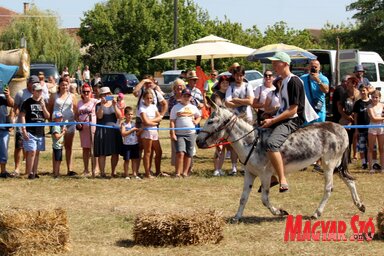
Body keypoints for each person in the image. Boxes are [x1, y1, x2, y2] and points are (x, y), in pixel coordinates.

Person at [261, 52, 306, 192]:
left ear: (286, 64)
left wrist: (273, 119)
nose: (273, 66)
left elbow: (293, 110)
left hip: (293, 120)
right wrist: (271, 113)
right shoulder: (283, 82)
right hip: (285, 117)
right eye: (273, 63)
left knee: (271, 143)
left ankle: (282, 178)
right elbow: (284, 107)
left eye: (276, 63)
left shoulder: (294, 81)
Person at [225, 66, 254, 176]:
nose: (239, 78)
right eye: (237, 75)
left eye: (241, 75)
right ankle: (234, 167)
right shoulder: (231, 87)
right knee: (235, 143)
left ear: (244, 76)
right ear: (234, 76)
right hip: (235, 118)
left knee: (247, 143)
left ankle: (245, 166)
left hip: (247, 117)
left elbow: (250, 101)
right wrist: (244, 101)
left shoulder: (248, 86)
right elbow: (227, 103)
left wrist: (236, 100)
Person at [19, 83, 50, 179]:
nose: (40, 92)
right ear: (33, 91)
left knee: (37, 152)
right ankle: (29, 173)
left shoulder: (42, 101)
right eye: (38, 90)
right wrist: (23, 130)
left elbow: (47, 116)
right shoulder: (27, 102)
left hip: (40, 131)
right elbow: (22, 115)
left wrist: (43, 106)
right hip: (30, 130)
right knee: (31, 151)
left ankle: (35, 172)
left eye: (41, 90)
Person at [48, 78, 78, 176]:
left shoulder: (72, 96)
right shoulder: (54, 96)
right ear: (59, 85)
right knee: (57, 147)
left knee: (68, 147)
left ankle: (70, 169)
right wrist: (51, 122)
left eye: (66, 84)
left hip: (69, 123)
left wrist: (77, 121)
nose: (64, 86)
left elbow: (75, 109)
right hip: (57, 125)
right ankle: (55, 170)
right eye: (62, 85)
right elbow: (50, 108)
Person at [170, 89, 201, 178]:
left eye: (188, 96)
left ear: (190, 97)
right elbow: (172, 121)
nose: (186, 98)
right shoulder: (176, 107)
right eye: (185, 96)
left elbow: (199, 116)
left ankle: (185, 173)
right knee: (180, 153)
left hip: (191, 133)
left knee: (189, 153)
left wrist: (196, 121)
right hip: (179, 133)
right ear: (181, 96)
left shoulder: (193, 107)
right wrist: (172, 133)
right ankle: (177, 173)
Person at [210, 75, 237, 176]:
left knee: (233, 147)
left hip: (231, 124)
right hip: (219, 124)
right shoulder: (216, 95)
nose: (225, 84)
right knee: (219, 147)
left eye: (227, 82)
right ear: (219, 84)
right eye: (223, 82)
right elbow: (217, 109)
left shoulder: (232, 94)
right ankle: (217, 169)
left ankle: (234, 168)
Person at [94, 87, 122, 177]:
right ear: (101, 95)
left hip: (114, 130)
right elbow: (99, 116)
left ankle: (113, 171)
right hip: (102, 130)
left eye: (108, 93)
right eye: (105, 94)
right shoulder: (98, 105)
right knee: (102, 153)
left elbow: (120, 116)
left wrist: (114, 105)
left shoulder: (115, 103)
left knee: (115, 152)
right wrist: (102, 105)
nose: (107, 95)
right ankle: (102, 172)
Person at [13, 75, 37, 175]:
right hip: (21, 123)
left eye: (37, 83)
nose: (35, 85)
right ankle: (17, 168)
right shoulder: (20, 93)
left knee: (30, 148)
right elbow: (15, 107)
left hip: (32, 125)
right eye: (33, 83)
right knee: (19, 146)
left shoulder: (38, 93)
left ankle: (29, 169)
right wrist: (17, 115)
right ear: (28, 84)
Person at [138, 89, 163, 178]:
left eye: (151, 98)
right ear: (143, 99)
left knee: (159, 151)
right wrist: (150, 122)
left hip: (154, 130)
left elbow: (159, 117)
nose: (149, 100)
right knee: (148, 152)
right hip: (147, 132)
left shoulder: (154, 106)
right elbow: (145, 121)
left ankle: (158, 171)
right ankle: (147, 173)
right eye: (147, 98)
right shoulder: (141, 108)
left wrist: (150, 121)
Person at [76, 83, 99, 177]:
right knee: (85, 149)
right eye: (84, 91)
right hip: (83, 129)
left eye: (87, 91)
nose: (86, 93)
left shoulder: (95, 101)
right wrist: (78, 122)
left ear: (91, 92)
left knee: (93, 148)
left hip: (92, 127)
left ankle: (96, 168)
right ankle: (86, 169)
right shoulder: (79, 103)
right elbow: (77, 115)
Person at [338, 76, 360, 163]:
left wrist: (354, 117)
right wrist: (346, 116)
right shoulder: (344, 94)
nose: (346, 84)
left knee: (355, 137)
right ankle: (346, 157)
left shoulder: (359, 94)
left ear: (354, 84)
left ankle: (355, 155)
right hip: (346, 118)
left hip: (357, 118)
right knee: (346, 138)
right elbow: (340, 107)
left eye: (349, 82)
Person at [352, 85, 372, 170]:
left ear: (367, 91)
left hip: (371, 128)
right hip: (360, 128)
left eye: (364, 90)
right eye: (361, 91)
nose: (362, 92)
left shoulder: (371, 102)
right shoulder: (357, 103)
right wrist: (356, 128)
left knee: (371, 147)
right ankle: (364, 163)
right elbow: (355, 116)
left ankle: (372, 162)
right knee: (361, 147)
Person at [120, 106, 141, 179]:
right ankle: (126, 174)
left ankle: (134, 173)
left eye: (131, 114)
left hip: (134, 144)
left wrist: (142, 130)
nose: (130, 116)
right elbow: (123, 134)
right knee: (127, 160)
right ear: (125, 115)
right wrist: (132, 130)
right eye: (128, 114)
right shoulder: (123, 124)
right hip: (127, 145)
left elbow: (137, 134)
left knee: (134, 160)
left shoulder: (134, 124)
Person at [367, 90, 384, 173]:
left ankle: (382, 168)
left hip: (381, 128)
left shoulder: (382, 105)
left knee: (381, 148)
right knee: (371, 148)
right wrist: (383, 118)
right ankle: (371, 168)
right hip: (372, 128)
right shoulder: (369, 107)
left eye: (376, 97)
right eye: (373, 97)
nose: (374, 99)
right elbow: (373, 118)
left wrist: (381, 119)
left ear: (379, 98)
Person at [0, 83, 14, 178]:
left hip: (3, 127)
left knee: (4, 150)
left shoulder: (2, 91)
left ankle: (3, 171)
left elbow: (12, 104)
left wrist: (8, 95)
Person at [51, 111, 66, 178]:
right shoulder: (55, 126)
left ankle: (57, 172)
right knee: (58, 160)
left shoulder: (58, 125)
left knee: (59, 160)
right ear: (54, 119)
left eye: (61, 117)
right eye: (59, 118)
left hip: (59, 146)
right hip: (57, 146)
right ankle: (56, 174)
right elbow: (56, 136)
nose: (60, 119)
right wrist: (63, 133)